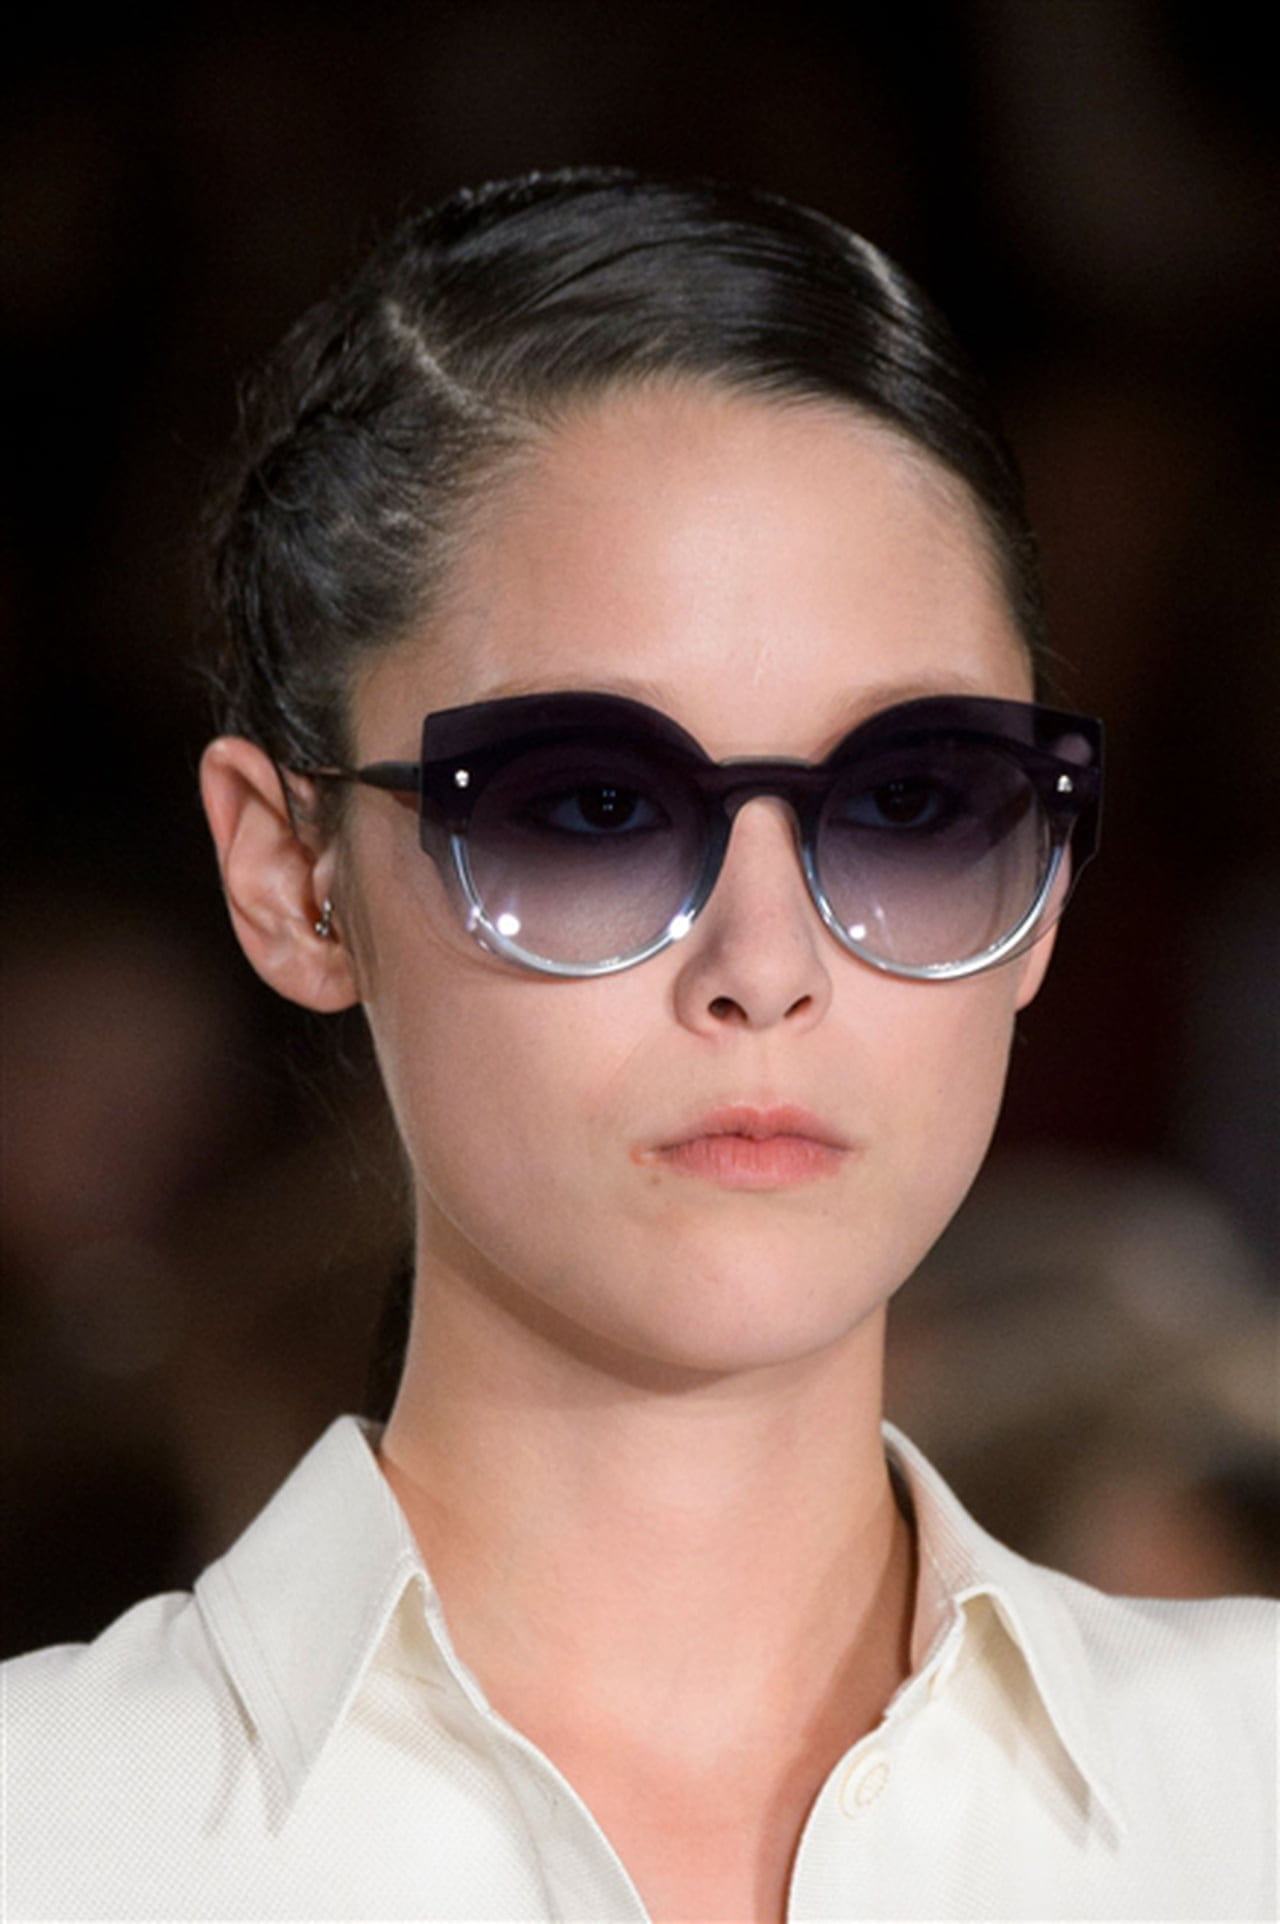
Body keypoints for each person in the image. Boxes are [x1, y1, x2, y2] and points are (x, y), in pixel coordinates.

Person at [4, 169, 1274, 1924]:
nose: (767, 967)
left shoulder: (1249, 1789)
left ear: (1043, 889)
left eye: (912, 803)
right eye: (590, 806)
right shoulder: (50, 1833)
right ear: (294, 878)